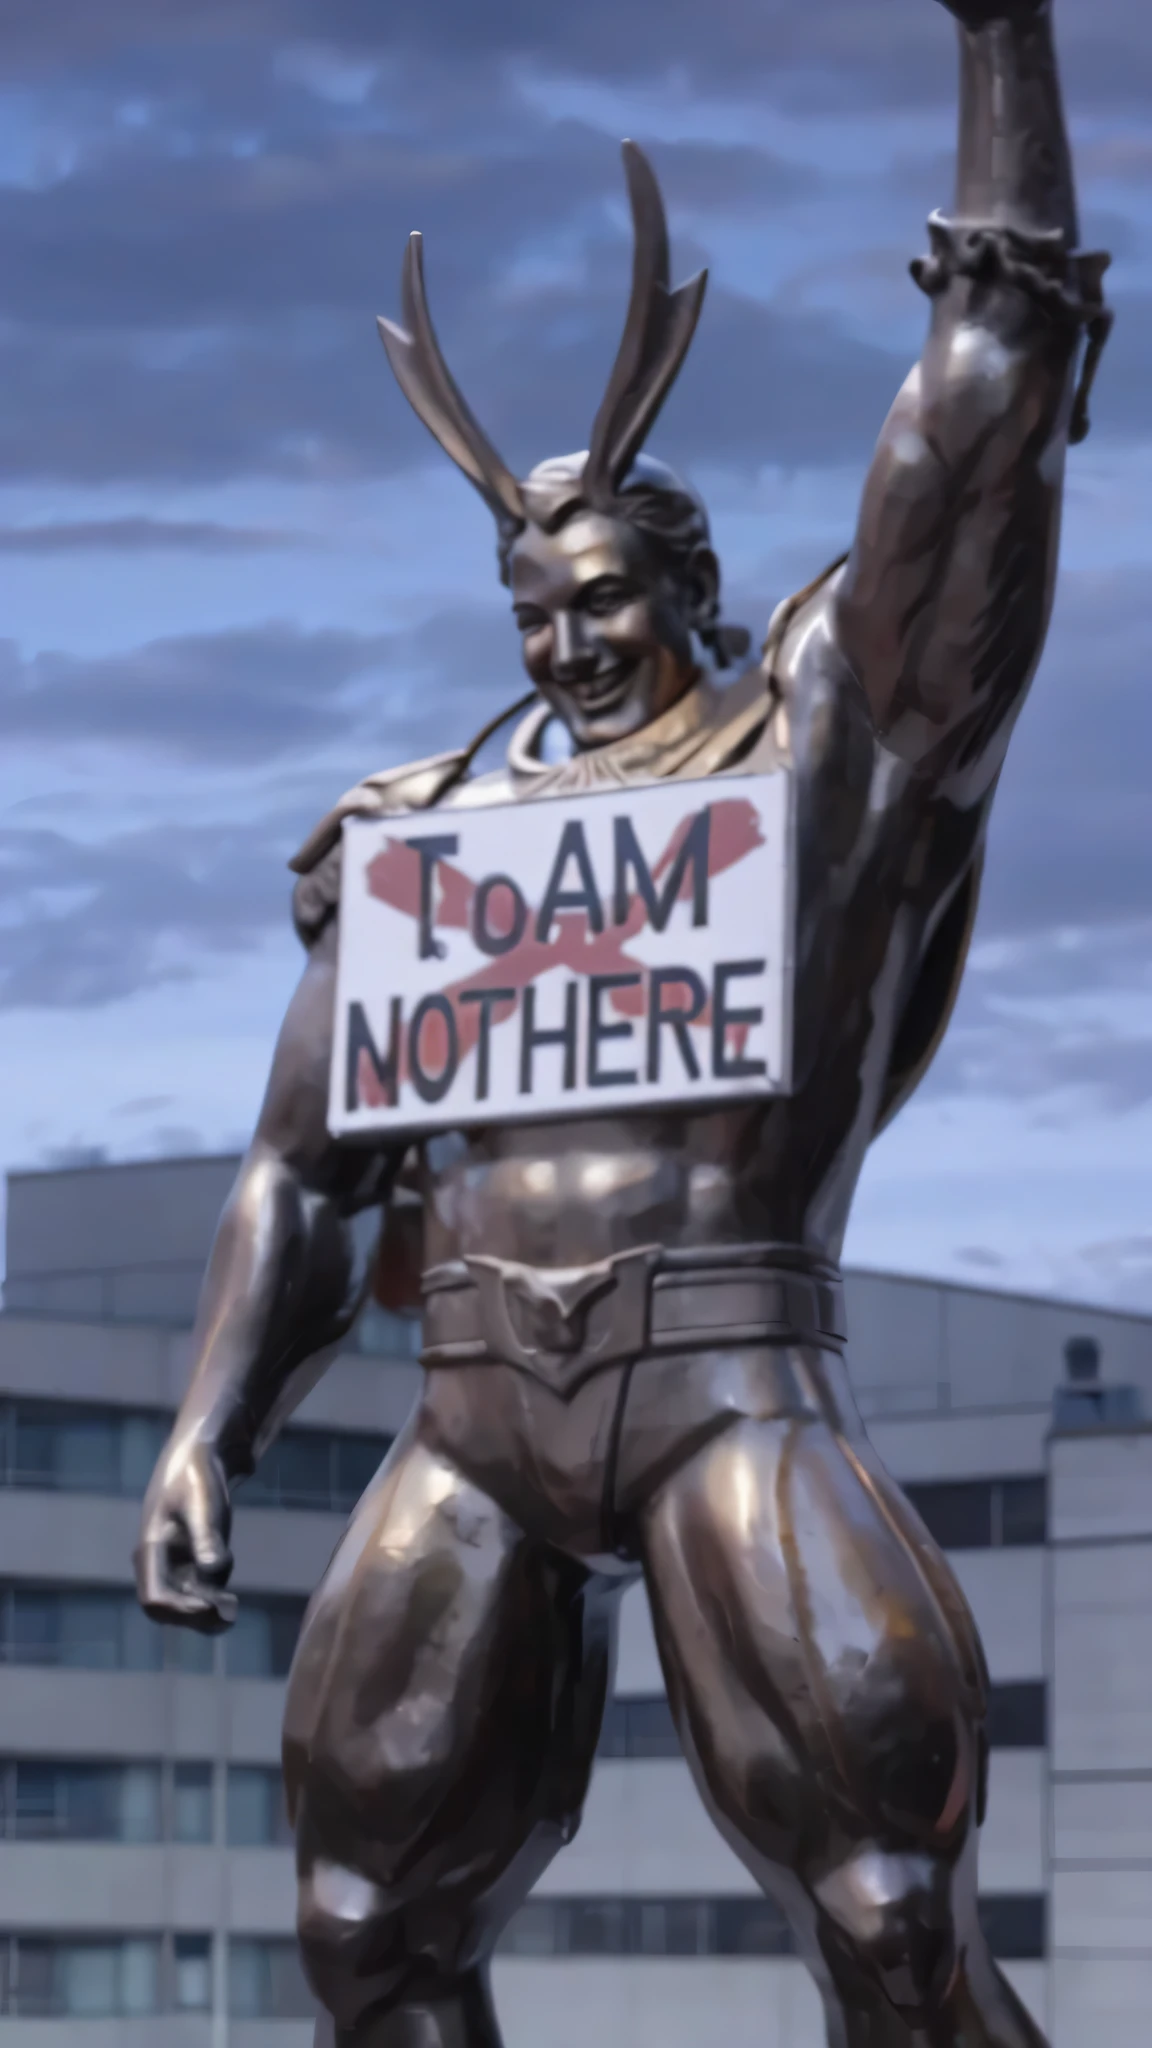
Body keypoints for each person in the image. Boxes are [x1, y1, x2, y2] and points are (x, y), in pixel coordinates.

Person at [135, 2, 1109, 2042]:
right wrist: (211, 1425)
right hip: (479, 1405)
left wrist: (1002, 33)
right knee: (360, 1923)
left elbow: (984, 402)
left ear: (690, 589)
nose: (568, 642)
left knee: (885, 1915)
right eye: (534, 615)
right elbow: (306, 1171)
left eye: (599, 595)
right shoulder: (438, 840)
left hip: (726, 1371)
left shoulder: (818, 766)